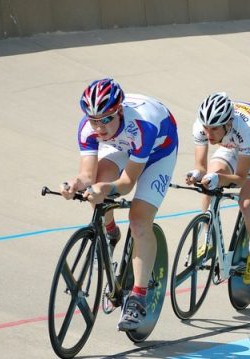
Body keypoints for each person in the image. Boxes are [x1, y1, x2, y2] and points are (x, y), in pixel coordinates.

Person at [60, 78, 178, 331]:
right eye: (94, 120)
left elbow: (126, 184)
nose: (99, 127)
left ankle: (138, 297)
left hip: (158, 150)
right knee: (97, 186)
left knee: (139, 220)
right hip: (122, 146)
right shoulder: (87, 128)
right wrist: (74, 184)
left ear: (120, 111)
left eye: (106, 119)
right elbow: (87, 176)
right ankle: (111, 232)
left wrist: (106, 189)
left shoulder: (143, 125)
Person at [186, 92, 250, 285]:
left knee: (246, 202)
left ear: (227, 123)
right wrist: (198, 175)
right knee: (207, 185)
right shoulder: (201, 126)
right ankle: (207, 239)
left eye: (213, 129)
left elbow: (240, 179)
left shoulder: (247, 128)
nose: (208, 134)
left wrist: (218, 178)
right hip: (232, 145)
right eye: (206, 128)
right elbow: (201, 167)